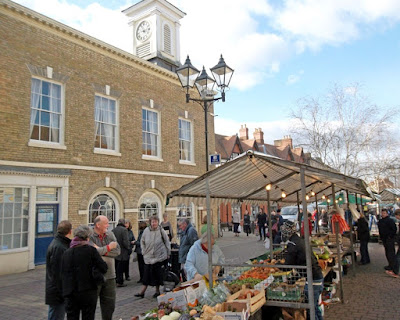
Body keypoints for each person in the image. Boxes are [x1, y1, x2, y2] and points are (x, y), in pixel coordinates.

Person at [61, 225, 108, 320]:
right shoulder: (91, 251)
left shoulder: (67, 252)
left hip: (70, 291)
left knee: (72, 316)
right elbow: (103, 267)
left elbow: (62, 272)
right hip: (88, 290)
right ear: (87, 237)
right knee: (88, 316)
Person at [281, 220, 324, 320]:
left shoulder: (293, 244)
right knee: (314, 307)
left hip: (313, 280)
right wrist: (293, 279)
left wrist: (276, 265)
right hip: (317, 276)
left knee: (311, 309)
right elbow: (303, 264)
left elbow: (287, 265)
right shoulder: (300, 241)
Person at [90, 215, 120, 320]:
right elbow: (91, 253)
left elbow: (117, 251)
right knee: (91, 306)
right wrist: (108, 247)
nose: (108, 225)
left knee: (109, 305)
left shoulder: (110, 234)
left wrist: (100, 250)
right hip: (95, 276)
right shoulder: (90, 236)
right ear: (98, 225)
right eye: (106, 223)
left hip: (110, 275)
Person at [135, 215, 170, 298]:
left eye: (156, 222)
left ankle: (157, 291)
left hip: (159, 256)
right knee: (146, 274)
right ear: (150, 222)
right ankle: (142, 292)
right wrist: (143, 251)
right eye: (152, 222)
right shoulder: (146, 231)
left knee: (157, 275)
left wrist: (168, 253)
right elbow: (142, 241)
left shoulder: (161, 231)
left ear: (158, 222)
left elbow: (167, 242)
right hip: (148, 257)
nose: (154, 223)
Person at [45, 220, 72, 320]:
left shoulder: (58, 244)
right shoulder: (59, 247)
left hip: (56, 290)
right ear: (69, 231)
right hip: (57, 292)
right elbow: (58, 273)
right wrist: (64, 291)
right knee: (56, 315)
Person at [378, 208, 397, 277]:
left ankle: (393, 266)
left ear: (387, 213)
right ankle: (390, 264)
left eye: (384, 213)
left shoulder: (390, 221)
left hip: (389, 239)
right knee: (387, 252)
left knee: (391, 252)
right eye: (382, 213)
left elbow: (394, 229)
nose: (383, 214)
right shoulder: (380, 221)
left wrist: (390, 236)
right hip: (384, 239)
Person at [112, 218, 131, 287]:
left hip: (115, 250)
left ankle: (116, 279)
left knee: (116, 267)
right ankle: (120, 282)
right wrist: (128, 248)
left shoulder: (113, 230)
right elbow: (125, 241)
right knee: (121, 267)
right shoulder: (124, 230)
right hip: (123, 251)